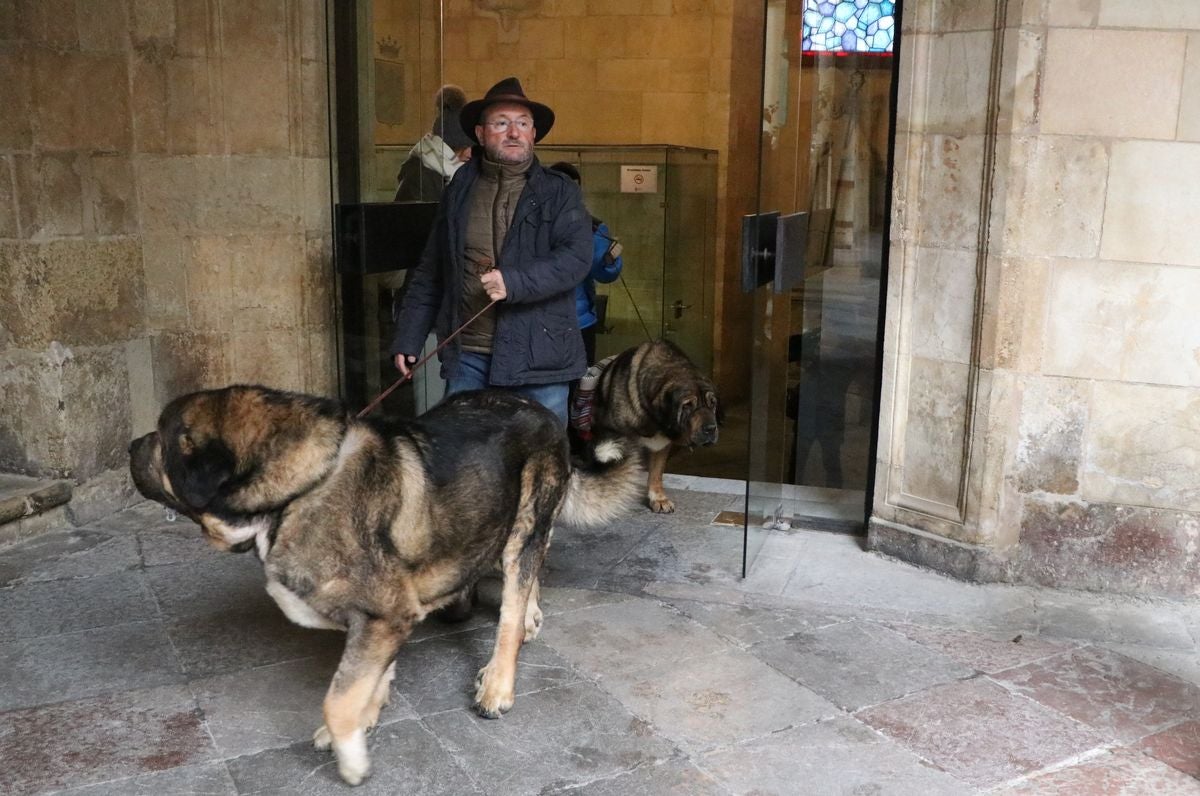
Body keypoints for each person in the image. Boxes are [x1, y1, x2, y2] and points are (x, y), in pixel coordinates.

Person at [389, 77, 592, 426]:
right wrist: (409, 336)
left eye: (523, 123)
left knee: (539, 471)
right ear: (481, 134)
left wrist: (514, 282)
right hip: (469, 356)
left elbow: (575, 259)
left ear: (533, 133)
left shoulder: (559, 192)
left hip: (540, 358)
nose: (514, 132)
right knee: (463, 465)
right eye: (502, 123)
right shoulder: (458, 190)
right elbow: (432, 271)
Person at [548, 162, 623, 365]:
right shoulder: (530, 222)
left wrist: (609, 261)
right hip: (540, 322)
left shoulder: (592, 226)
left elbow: (603, 273)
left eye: (572, 188)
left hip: (580, 321)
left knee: (582, 385)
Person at [394, 85, 474, 202]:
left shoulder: (449, 171)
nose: (470, 153)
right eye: (466, 146)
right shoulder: (420, 175)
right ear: (447, 148)